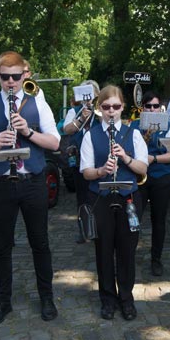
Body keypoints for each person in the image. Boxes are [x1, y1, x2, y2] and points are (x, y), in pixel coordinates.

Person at [0, 51, 61, 326]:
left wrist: (28, 132)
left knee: (40, 243)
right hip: (1, 184)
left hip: (32, 182)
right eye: (5, 77)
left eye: (16, 77)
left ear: (25, 75)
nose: (11, 82)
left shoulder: (38, 104)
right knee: (2, 247)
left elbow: (55, 143)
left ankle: (46, 297)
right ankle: (2, 302)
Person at [81, 85, 149, 319]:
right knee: (104, 250)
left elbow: (142, 168)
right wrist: (102, 170)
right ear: (100, 109)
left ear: (123, 108)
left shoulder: (133, 134)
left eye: (116, 107)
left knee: (127, 250)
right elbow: (86, 172)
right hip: (100, 198)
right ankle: (107, 298)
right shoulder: (91, 135)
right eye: (106, 107)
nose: (111, 111)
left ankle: (126, 298)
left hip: (128, 197)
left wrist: (125, 158)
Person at [130, 90, 170, 276]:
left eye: (155, 106)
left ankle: (156, 259)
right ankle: (128, 256)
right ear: (142, 109)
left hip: (161, 177)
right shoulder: (133, 126)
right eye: (148, 106)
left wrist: (153, 159)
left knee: (159, 221)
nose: (152, 109)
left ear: (160, 108)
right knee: (133, 220)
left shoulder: (167, 126)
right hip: (138, 178)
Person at [62, 80, 100, 243]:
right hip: (79, 158)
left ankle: (99, 227)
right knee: (82, 196)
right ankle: (84, 230)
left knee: (98, 194)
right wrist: (80, 119)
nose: (88, 97)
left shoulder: (101, 110)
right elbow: (66, 129)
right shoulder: (74, 111)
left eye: (92, 93)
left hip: (99, 158)